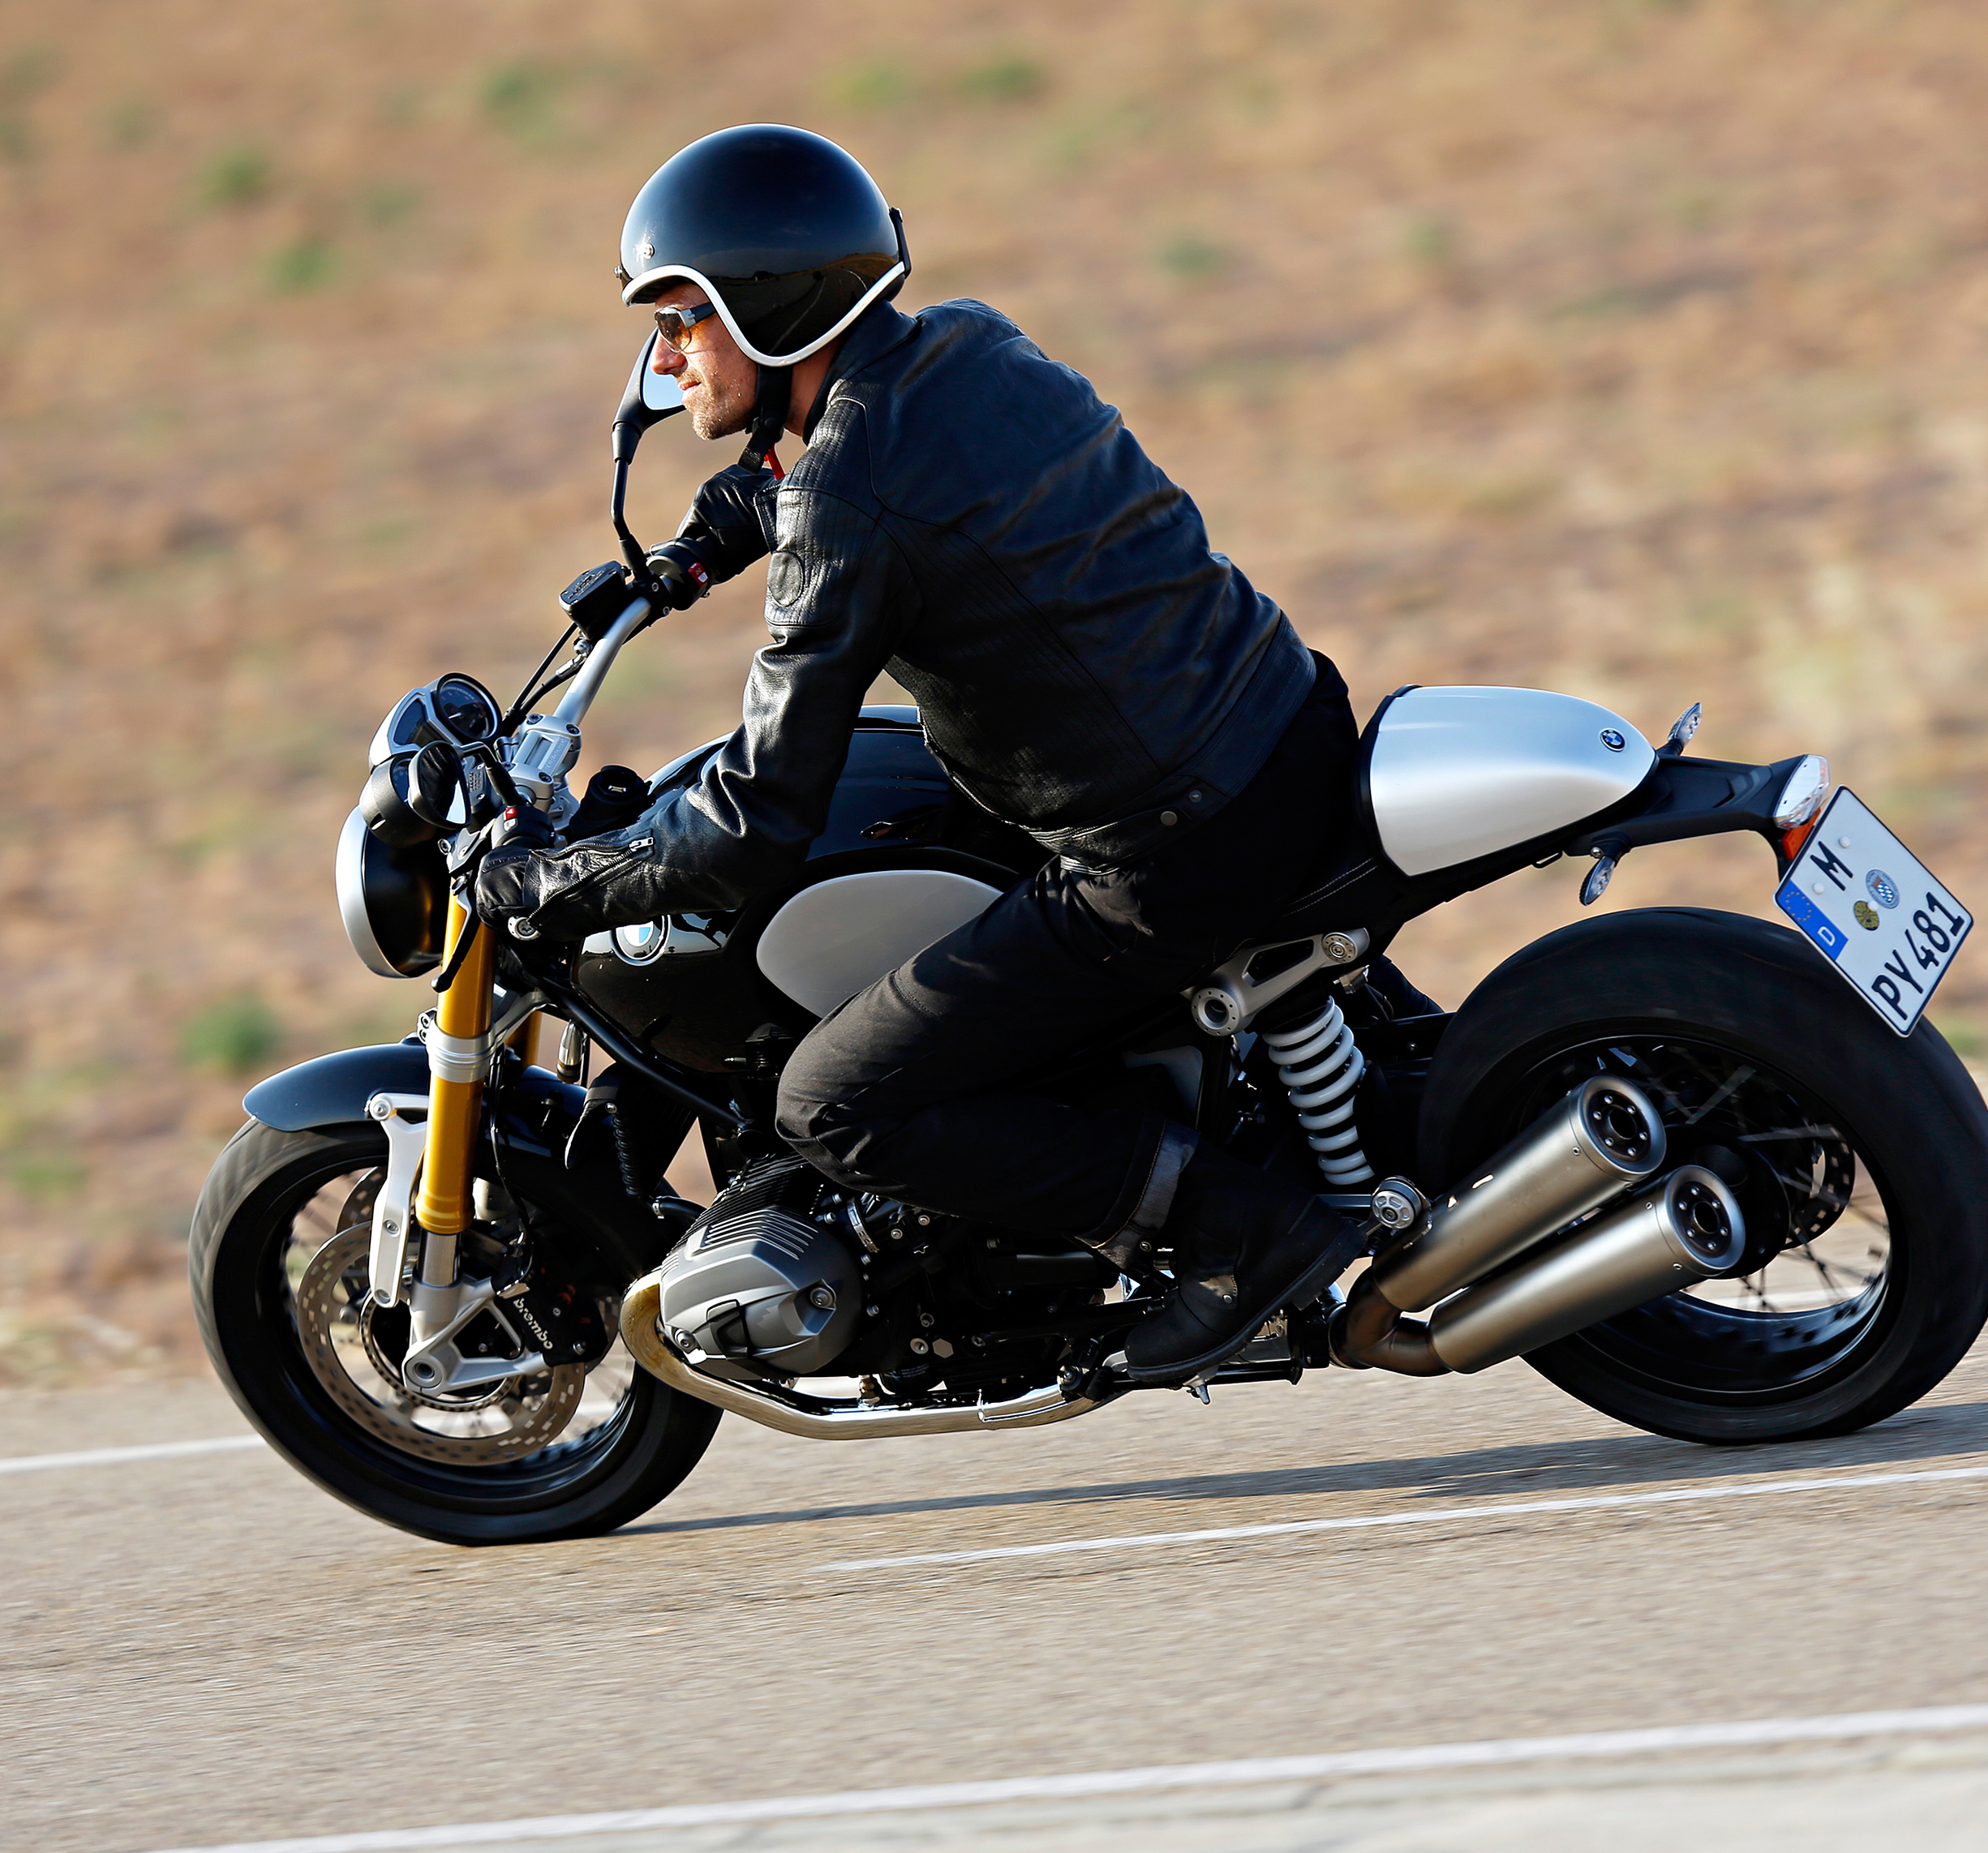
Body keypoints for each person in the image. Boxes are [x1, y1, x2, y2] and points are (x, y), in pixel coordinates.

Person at [475, 124, 1387, 1385]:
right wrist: (734, 526)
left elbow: (754, 819)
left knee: (835, 1102)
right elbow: (918, 484)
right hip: (1277, 725)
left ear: (772, 310)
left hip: (1170, 849)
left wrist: (548, 880)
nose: (666, 357)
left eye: (683, 320)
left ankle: (1242, 1237)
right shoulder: (967, 343)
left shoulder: (848, 499)